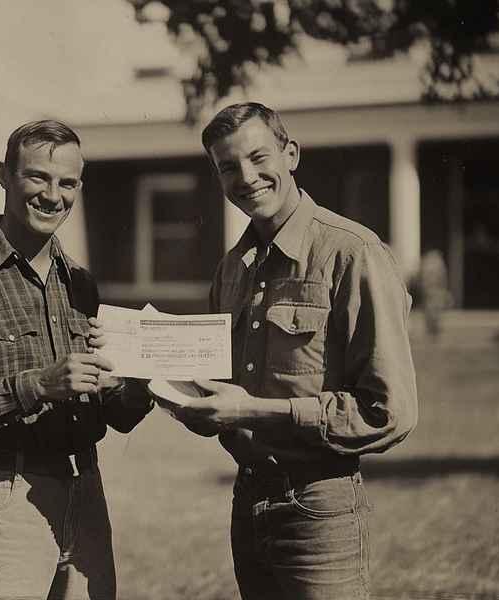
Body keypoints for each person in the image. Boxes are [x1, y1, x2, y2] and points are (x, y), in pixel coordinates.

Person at [167, 103, 418, 599]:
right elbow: (223, 390)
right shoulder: (232, 269)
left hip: (320, 502)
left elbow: (390, 412)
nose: (248, 177)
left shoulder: (353, 253)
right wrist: (195, 403)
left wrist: (252, 410)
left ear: (291, 154)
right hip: (248, 498)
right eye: (228, 167)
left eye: (260, 157)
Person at [0, 120, 153, 600]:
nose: (52, 195)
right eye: (37, 177)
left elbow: (124, 414)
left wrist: (123, 385)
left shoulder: (80, 282)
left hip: (87, 492)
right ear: (4, 175)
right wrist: (35, 384)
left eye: (67, 183)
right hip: (7, 493)